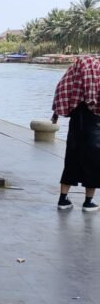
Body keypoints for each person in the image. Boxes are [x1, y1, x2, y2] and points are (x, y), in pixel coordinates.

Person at [51, 55, 100, 212]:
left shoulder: (73, 75)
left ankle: (63, 199)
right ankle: (88, 202)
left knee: (71, 159)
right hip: (94, 125)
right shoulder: (97, 74)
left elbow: (61, 90)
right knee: (93, 161)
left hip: (75, 124)